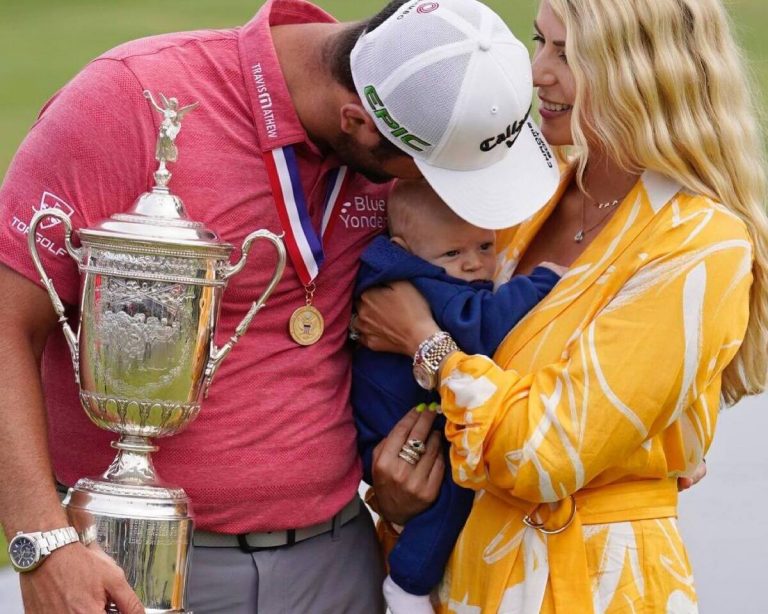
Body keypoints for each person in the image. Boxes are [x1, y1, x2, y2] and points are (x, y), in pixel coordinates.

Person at [0, 1, 559, 612]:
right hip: (144, 562)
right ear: (358, 122)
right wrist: (44, 542)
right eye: (436, 175)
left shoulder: (398, 128)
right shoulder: (131, 100)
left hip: (341, 555)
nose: (445, 197)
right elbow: (6, 322)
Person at [355, 0, 768, 611]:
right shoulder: (526, 195)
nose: (535, 72)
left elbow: (543, 455)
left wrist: (426, 342)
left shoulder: (699, 243)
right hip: (452, 572)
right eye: (539, 42)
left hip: (585, 582)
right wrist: (397, 490)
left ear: (647, 72)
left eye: (569, 54)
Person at [352, 179, 562, 613]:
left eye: (485, 247)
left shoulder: (411, 268)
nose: (473, 265)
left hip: (399, 415)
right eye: (453, 253)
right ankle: (408, 585)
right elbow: (480, 327)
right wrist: (543, 282)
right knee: (454, 488)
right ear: (403, 246)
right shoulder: (422, 282)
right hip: (399, 426)